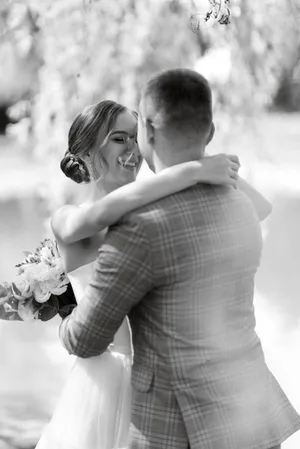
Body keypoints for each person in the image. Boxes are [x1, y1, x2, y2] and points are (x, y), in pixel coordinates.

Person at [59, 70, 298, 449]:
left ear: (148, 134)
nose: (133, 147)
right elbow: (88, 222)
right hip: (248, 407)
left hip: (172, 419)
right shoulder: (238, 207)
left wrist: (65, 320)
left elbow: (85, 337)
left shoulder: (140, 226)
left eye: (134, 134)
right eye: (119, 138)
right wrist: (198, 163)